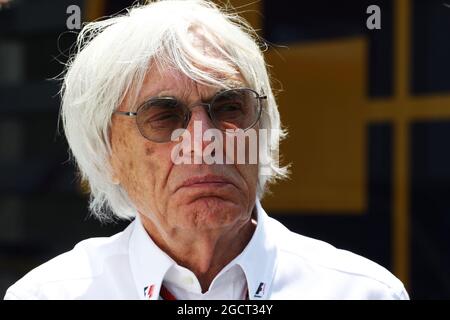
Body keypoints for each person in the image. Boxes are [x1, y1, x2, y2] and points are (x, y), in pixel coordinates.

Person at [4, 0, 408, 300]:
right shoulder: (49, 295)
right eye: (163, 116)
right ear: (108, 152)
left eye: (230, 107)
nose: (205, 142)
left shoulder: (363, 293)